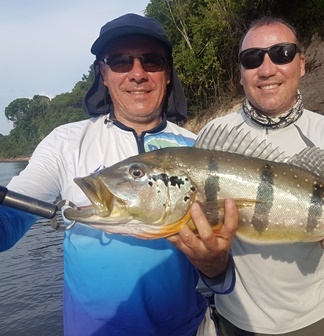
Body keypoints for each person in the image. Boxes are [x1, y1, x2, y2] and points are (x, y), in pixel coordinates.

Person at [0, 13, 238, 336]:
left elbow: (226, 276)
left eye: (151, 61)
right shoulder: (66, 143)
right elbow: (9, 219)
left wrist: (215, 266)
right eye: (121, 61)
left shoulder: (198, 151)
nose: (137, 74)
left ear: (167, 74)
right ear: (104, 73)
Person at [200, 17, 324, 336]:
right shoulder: (214, 134)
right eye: (252, 59)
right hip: (232, 320)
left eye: (282, 53)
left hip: (311, 320)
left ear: (302, 64)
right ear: (241, 73)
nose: (266, 68)